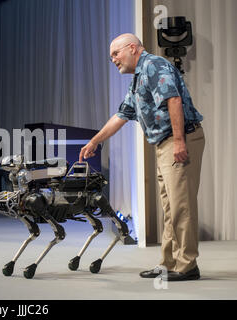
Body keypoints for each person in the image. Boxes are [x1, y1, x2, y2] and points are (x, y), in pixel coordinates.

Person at [79, 34, 205, 281]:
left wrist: (179, 141)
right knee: (170, 208)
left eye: (115, 53)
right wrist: (95, 141)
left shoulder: (153, 65)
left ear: (133, 48)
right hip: (164, 143)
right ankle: (169, 263)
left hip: (179, 139)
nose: (113, 59)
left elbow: (174, 99)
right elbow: (121, 115)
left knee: (181, 206)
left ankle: (187, 265)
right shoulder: (137, 80)